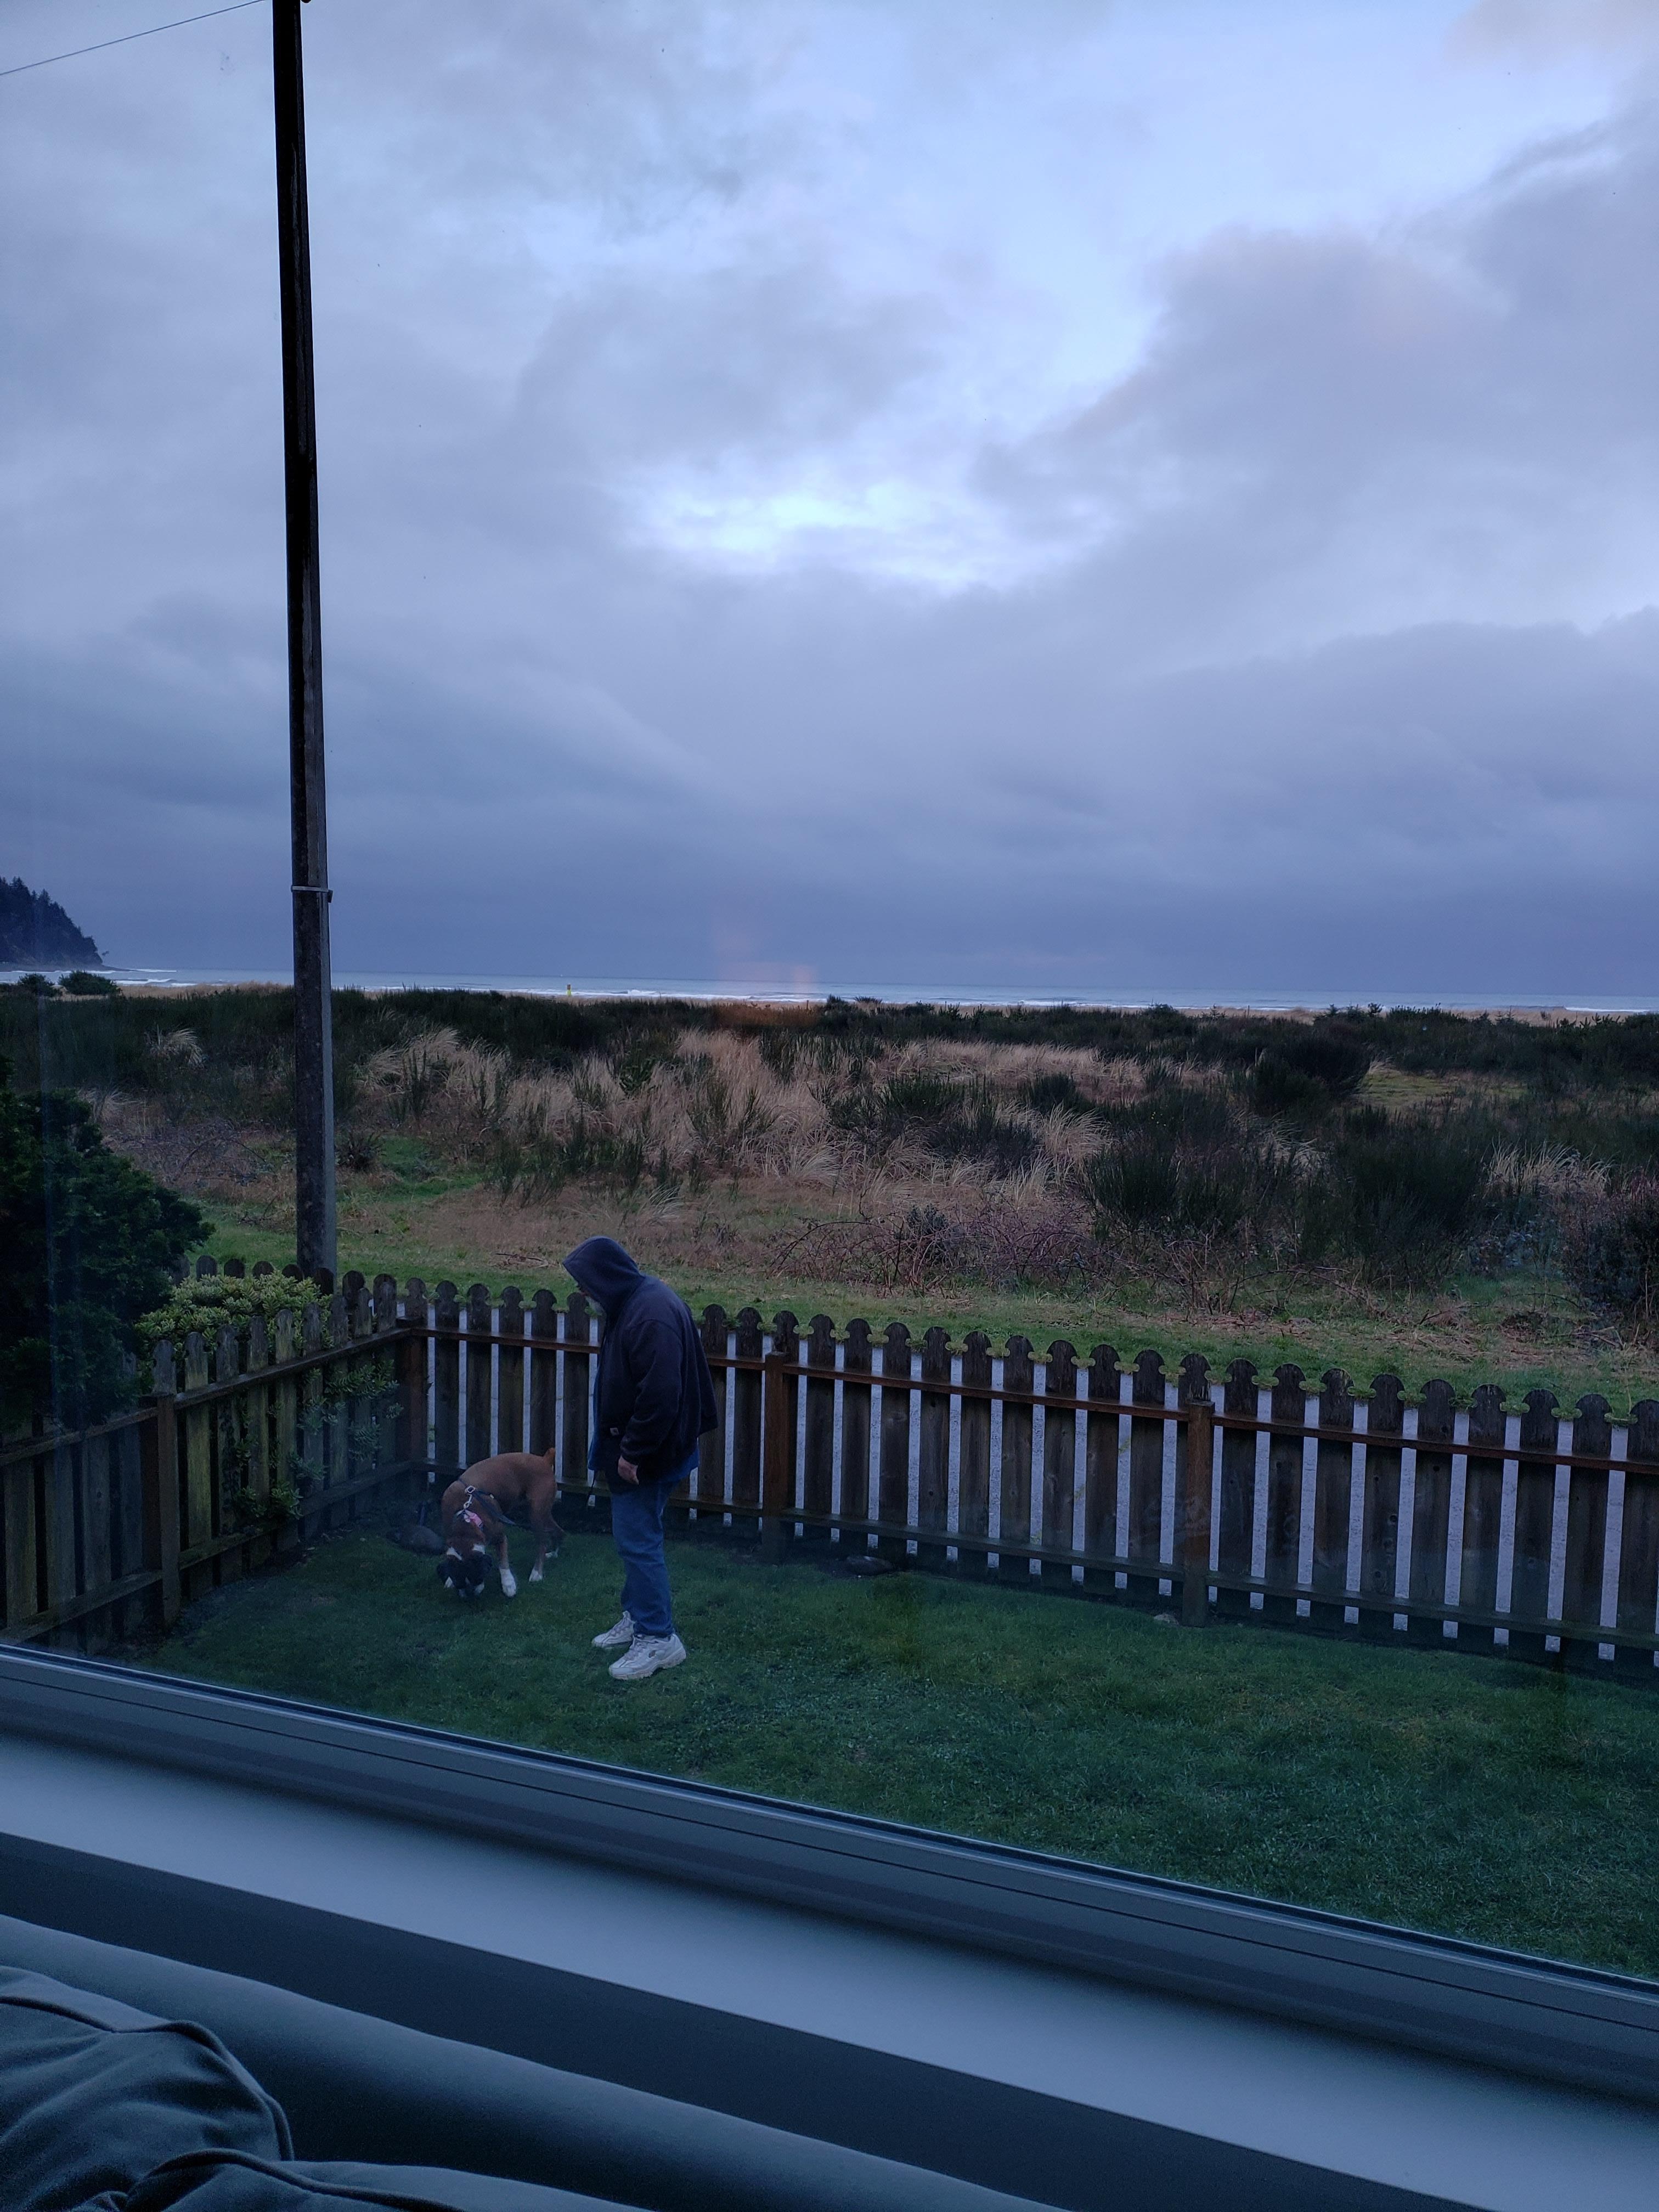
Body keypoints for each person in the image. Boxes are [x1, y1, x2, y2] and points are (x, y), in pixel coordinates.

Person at [563, 1235, 717, 1681]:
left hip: (648, 1452)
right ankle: (638, 1615)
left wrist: (633, 1453)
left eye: (585, 1284)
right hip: (646, 1446)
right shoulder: (634, 1300)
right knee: (638, 1535)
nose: (583, 1294)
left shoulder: (649, 1315)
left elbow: (661, 1396)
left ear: (605, 1277)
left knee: (638, 1539)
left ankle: (658, 1639)